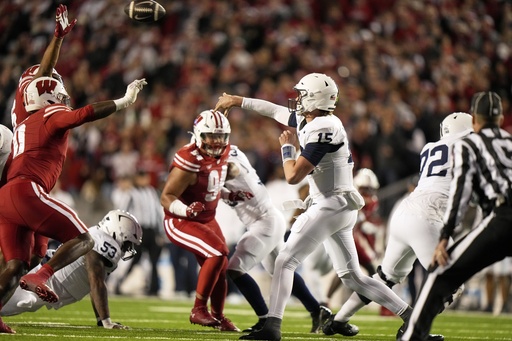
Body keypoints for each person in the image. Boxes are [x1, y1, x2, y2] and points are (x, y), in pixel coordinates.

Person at [215, 72, 418, 341]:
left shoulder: (324, 127)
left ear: (315, 98)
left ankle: (272, 327)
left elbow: (293, 176)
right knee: (353, 277)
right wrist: (237, 100)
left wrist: (287, 149)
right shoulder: (314, 120)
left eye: (302, 95)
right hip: (339, 206)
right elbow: (274, 110)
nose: (297, 100)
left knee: (285, 261)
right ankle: (411, 316)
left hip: (331, 204)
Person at [0, 74, 147, 334]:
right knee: (85, 238)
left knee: (16, 266)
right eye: (59, 95)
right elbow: (83, 114)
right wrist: (124, 101)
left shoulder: (23, 122)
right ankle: (41, 275)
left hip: (8, 196)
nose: (64, 99)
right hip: (27, 190)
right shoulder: (49, 114)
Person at [331, 112, 474, 340]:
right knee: (452, 282)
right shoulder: (469, 148)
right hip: (427, 217)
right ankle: (412, 329)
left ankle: (338, 320)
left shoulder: (430, 147)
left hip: (404, 211)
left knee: (384, 277)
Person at [399, 91, 512, 340]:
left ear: (475, 121)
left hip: (503, 218)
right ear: (501, 118)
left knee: (441, 273)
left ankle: (411, 336)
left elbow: (460, 193)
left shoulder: (468, 144)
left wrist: (444, 236)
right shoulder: (509, 143)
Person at [223, 145, 331, 333]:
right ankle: (317, 310)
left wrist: (207, 172)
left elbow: (232, 169)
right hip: (267, 220)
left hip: (265, 222)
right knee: (280, 271)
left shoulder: (228, 162)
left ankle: (265, 319)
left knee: (234, 269)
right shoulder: (227, 156)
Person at [160, 109, 250, 332]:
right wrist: (187, 210)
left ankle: (218, 318)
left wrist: (230, 195)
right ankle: (198, 309)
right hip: (180, 220)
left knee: (221, 264)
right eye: (211, 135)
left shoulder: (223, 153)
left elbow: (212, 187)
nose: (217, 141)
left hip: (207, 218)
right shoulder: (189, 159)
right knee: (218, 252)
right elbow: (166, 197)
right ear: (199, 134)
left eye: (221, 136)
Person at [9, 4, 76, 272]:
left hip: (29, 178)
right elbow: (44, 73)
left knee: (34, 255)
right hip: (20, 176)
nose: (56, 87)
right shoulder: (33, 94)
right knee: (17, 253)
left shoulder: (37, 110)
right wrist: (58, 38)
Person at [1, 210, 142, 330]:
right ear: (117, 233)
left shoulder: (99, 239)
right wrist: (107, 322)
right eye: (128, 243)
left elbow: (95, 285)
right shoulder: (102, 244)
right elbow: (96, 282)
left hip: (45, 288)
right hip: (39, 286)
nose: (129, 249)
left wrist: (101, 319)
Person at [113, 171, 164, 296]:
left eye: (145, 178)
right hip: (138, 230)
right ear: (136, 179)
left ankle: (154, 288)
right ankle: (119, 284)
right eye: (141, 178)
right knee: (134, 258)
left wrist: (161, 232)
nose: (144, 181)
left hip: (151, 230)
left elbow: (157, 213)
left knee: (154, 260)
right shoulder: (131, 193)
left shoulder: (152, 192)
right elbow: (123, 212)